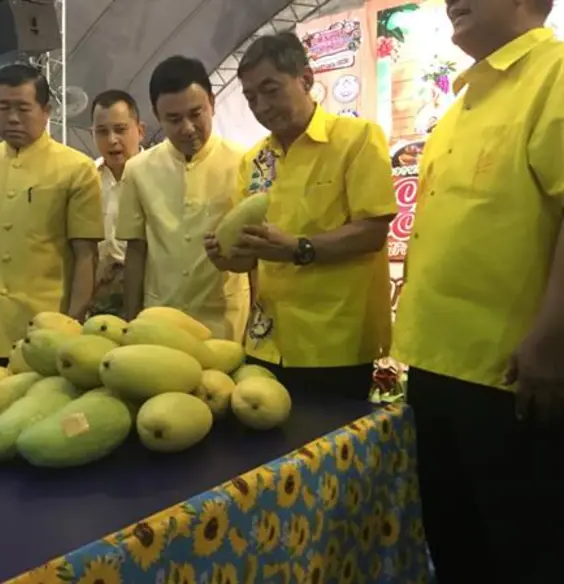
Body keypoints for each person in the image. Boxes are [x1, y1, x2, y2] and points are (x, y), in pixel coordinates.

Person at [392, 1, 564, 581]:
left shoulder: (555, 75)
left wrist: (551, 340)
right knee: (455, 543)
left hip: (511, 375)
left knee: (524, 551)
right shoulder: (462, 103)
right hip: (438, 365)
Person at [205, 33, 396, 400]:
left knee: (331, 438)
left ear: (306, 79)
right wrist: (226, 256)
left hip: (334, 341)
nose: (261, 106)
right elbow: (249, 257)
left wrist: (298, 248)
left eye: (270, 90)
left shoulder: (357, 139)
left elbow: (372, 232)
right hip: (265, 341)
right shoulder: (254, 160)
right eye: (250, 97)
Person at [0, 64, 103, 369]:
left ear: (46, 111)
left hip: (47, 333)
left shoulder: (77, 168)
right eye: (3, 107)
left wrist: (72, 327)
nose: (12, 117)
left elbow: (86, 255)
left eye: (23, 108)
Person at [116, 56, 250, 340]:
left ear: (212, 103)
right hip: (160, 320)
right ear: (157, 115)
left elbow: (258, 253)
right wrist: (130, 322)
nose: (187, 128)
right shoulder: (138, 170)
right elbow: (136, 250)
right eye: (174, 119)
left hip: (227, 322)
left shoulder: (245, 162)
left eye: (196, 113)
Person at [89, 89, 145, 317]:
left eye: (120, 130)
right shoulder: (86, 179)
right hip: (97, 299)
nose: (112, 140)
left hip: (149, 295)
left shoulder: (159, 175)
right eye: (102, 132)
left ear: (140, 131)